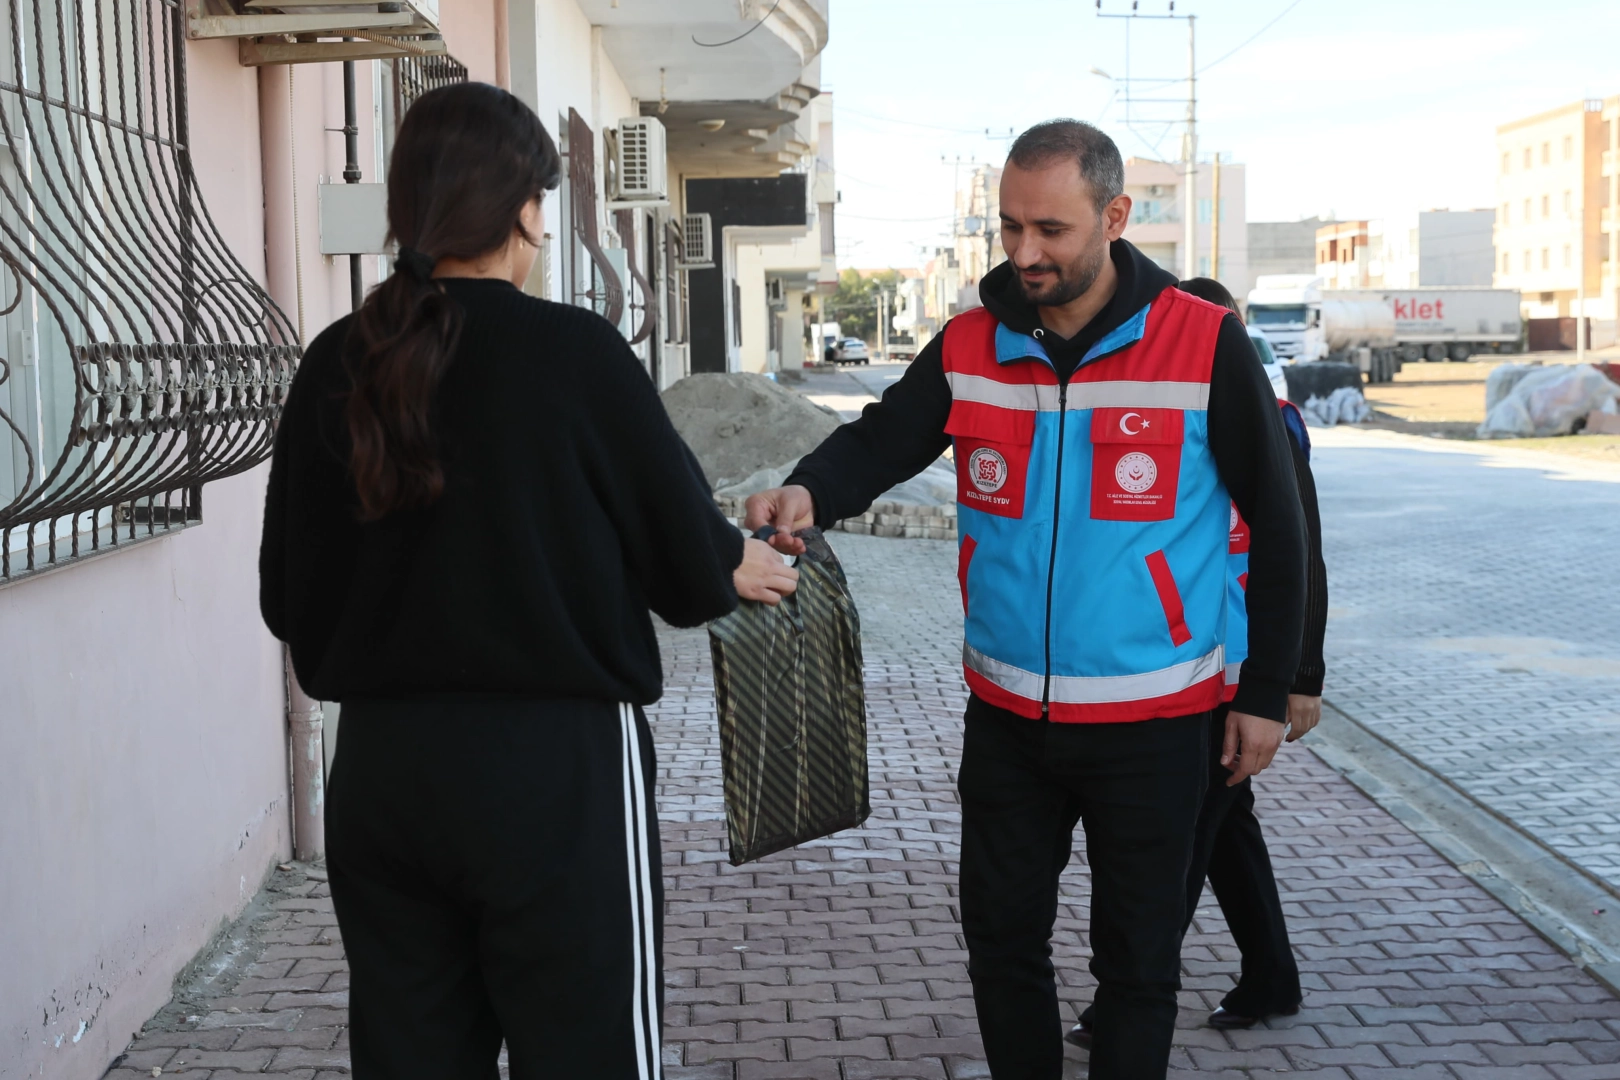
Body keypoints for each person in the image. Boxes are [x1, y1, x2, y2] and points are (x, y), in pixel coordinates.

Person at [745, 120, 1306, 1080]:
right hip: (1007, 720)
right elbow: (882, 441)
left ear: (1116, 216)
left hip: (1158, 720)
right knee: (1001, 946)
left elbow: (1284, 526)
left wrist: (1269, 691)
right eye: (1009, 227)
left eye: (1050, 229)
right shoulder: (972, 341)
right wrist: (810, 490)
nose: (1025, 252)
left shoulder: (1202, 341)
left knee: (1137, 967)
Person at [258, 82, 795, 1079]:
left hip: (381, 769)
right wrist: (738, 560)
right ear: (524, 210)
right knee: (588, 1055)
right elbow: (684, 563)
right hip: (554, 773)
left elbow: (287, 600)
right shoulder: (573, 352)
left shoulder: (338, 359)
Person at [1066, 276, 1329, 1048]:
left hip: (1242, 668)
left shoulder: (1274, 423)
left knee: (1183, 837)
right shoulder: (1178, 411)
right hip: (1188, 658)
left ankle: (1128, 997)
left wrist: (1298, 678)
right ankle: (1271, 976)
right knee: (1223, 822)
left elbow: (1302, 550)